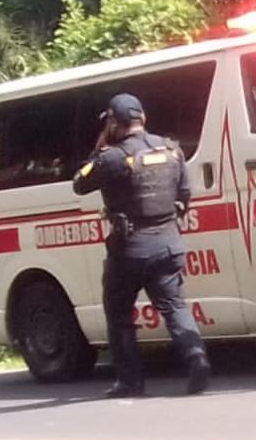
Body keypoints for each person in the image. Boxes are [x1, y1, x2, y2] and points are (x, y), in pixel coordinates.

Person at [73, 93, 210, 398]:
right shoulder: (172, 150)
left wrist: (100, 147)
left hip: (129, 250)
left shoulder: (112, 157)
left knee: (119, 313)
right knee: (174, 306)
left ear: (113, 122)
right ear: (142, 119)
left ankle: (130, 381)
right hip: (168, 243)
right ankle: (196, 356)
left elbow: (79, 183)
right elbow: (184, 195)